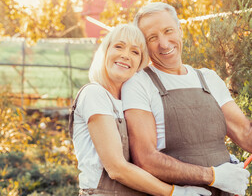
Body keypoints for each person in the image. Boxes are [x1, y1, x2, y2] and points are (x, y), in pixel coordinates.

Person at [122, 3, 252, 195]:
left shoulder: (208, 79)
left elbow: (248, 138)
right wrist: (213, 176)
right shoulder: (139, 84)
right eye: (152, 37)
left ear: (180, 31)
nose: (164, 43)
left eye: (168, 31)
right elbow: (145, 158)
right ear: (144, 45)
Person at [69, 24, 212, 196]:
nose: (125, 55)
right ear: (105, 52)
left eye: (135, 52)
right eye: (119, 46)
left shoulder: (133, 104)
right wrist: (176, 192)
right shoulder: (94, 94)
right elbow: (116, 168)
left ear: (140, 64)